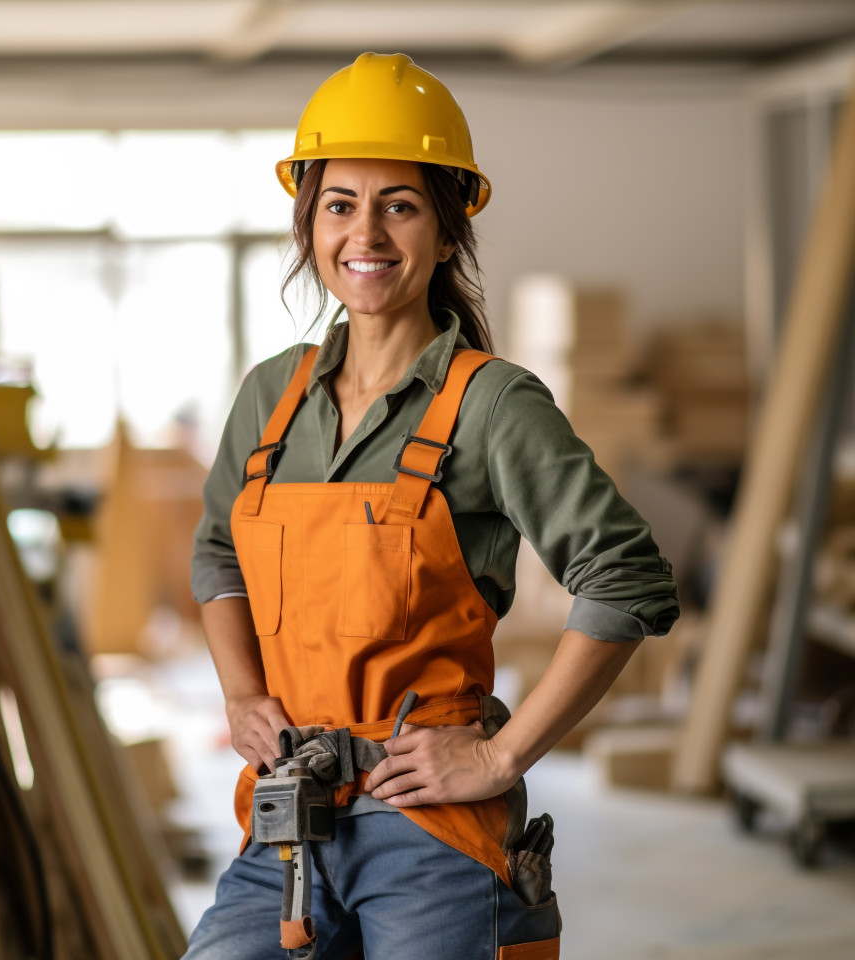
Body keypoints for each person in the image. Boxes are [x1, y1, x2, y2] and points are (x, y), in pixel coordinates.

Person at [186, 52, 679, 960]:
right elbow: (219, 554)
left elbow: (627, 579)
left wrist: (500, 756)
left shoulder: (493, 404)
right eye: (340, 204)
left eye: (399, 205)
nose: (364, 232)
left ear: (447, 232)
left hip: (432, 832)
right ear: (309, 224)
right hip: (287, 825)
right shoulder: (271, 397)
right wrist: (241, 689)